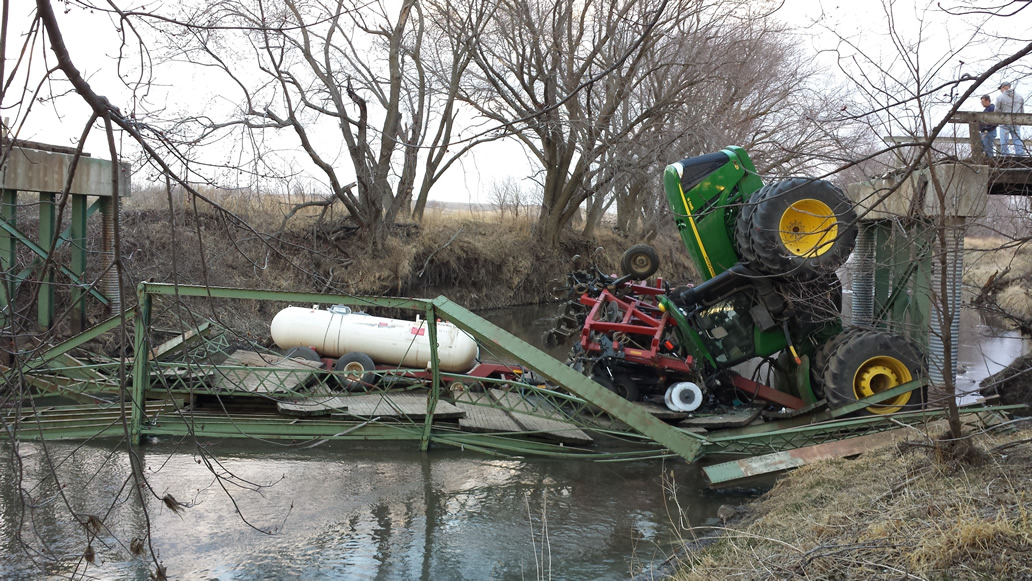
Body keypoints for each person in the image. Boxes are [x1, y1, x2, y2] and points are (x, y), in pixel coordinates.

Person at [995, 81, 1026, 155]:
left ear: (1003, 87)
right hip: (1016, 122)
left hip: (1004, 122)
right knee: (1017, 140)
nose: (1000, 91)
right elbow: (1022, 112)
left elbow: (996, 112)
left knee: (1004, 141)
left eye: (1000, 89)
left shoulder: (1000, 98)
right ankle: (1020, 155)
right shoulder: (1020, 97)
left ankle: (1005, 157)